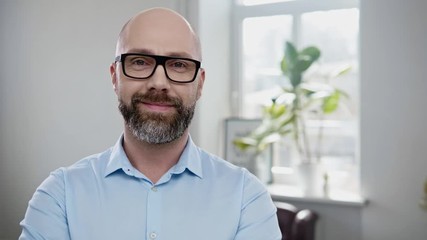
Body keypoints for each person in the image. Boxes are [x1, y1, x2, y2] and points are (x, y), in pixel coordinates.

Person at [19, 7, 282, 240]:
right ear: (115, 77)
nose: (159, 82)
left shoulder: (246, 199)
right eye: (140, 62)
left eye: (179, 64)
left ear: (199, 84)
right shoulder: (60, 196)